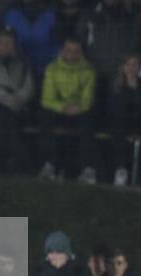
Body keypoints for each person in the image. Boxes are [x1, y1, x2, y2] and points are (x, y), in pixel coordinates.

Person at [37, 38, 98, 183]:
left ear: (81, 53)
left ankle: (87, 169)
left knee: (88, 120)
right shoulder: (52, 68)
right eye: (69, 50)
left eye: (76, 51)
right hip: (59, 110)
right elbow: (47, 99)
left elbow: (87, 100)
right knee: (45, 116)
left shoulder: (89, 70)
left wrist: (77, 108)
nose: (72, 55)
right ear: (62, 51)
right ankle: (49, 165)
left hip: (79, 111)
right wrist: (63, 107)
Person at [0, 28, 35, 174]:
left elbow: (29, 87)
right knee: (4, 115)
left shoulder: (23, 61)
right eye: (2, 43)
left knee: (5, 119)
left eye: (9, 43)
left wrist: (17, 99)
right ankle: (23, 160)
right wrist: (6, 97)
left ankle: (1, 165)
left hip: (18, 106)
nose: (6, 46)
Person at [109, 53, 141, 188]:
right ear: (123, 67)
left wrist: (136, 89)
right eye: (128, 64)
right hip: (122, 121)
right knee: (118, 125)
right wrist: (127, 88)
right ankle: (121, 169)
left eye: (135, 64)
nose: (131, 68)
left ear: (140, 67)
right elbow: (115, 109)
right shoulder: (115, 84)